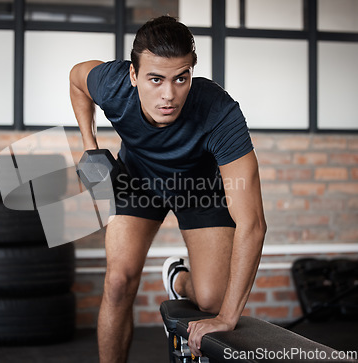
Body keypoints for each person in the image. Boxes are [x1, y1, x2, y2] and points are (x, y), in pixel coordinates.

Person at [69, 15, 266, 362]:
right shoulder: (113, 85)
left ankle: (178, 279)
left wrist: (226, 317)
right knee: (118, 282)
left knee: (211, 300)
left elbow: (253, 223)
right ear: (133, 75)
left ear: (192, 71)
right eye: (155, 79)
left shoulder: (219, 112)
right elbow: (76, 78)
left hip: (199, 187)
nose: (169, 95)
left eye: (181, 78)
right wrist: (89, 145)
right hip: (137, 180)